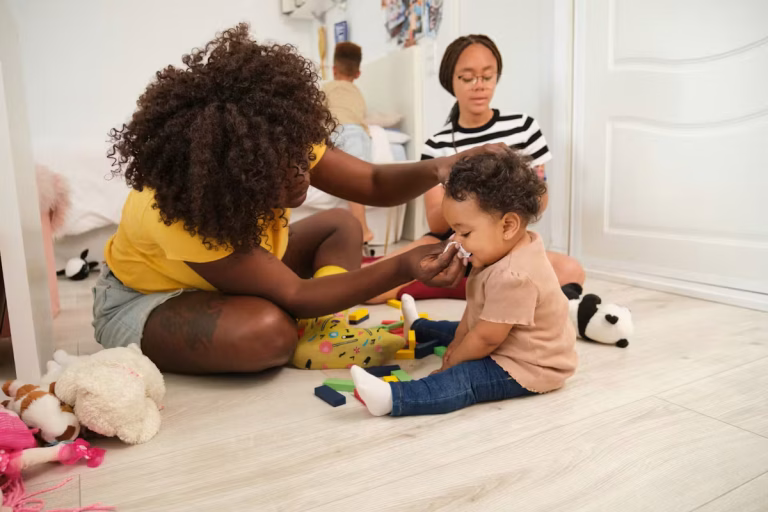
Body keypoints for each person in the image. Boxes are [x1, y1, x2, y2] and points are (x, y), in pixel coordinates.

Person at [92, 24, 500, 375]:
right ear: (234, 175)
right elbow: (297, 296)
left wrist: (440, 167)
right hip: (149, 298)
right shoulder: (182, 209)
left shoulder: (278, 137)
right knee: (268, 333)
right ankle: (307, 328)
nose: (302, 175)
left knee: (342, 225)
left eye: (302, 159)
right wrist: (405, 265)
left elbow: (373, 181)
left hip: (232, 271)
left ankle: (321, 327)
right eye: (280, 171)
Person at [351, 151, 577, 416]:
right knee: (457, 331)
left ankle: (394, 398)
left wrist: (453, 361)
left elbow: (486, 338)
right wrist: (459, 340)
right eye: (454, 231)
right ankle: (419, 327)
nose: (455, 240)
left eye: (465, 232)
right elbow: (473, 317)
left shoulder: (514, 275)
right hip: (504, 338)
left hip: (529, 365)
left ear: (508, 226)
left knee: (465, 377)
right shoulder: (498, 249)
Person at [367, 34, 585, 303]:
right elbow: (436, 220)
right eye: (467, 78)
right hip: (452, 242)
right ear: (451, 81)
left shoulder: (524, 128)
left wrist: (490, 215)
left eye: (487, 76)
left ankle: (471, 284)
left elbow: (539, 199)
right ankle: (479, 285)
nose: (479, 86)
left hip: (507, 244)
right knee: (371, 287)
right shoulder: (437, 144)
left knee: (571, 271)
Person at [320, 42, 374, 242]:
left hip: (336, 131)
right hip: (358, 133)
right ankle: (363, 227)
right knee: (358, 177)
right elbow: (360, 115)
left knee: (349, 177)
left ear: (333, 69)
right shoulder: (358, 93)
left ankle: (361, 229)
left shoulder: (326, 88)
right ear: (358, 74)